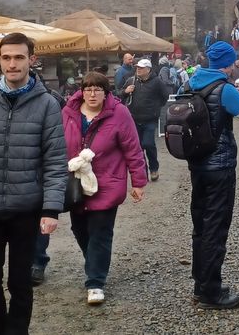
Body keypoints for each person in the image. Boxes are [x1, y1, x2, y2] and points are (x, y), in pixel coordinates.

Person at [0, 32, 68, 335]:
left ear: (31, 60)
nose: (12, 64)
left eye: (19, 57)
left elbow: (55, 159)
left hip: (27, 207)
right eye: (7, 57)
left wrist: (51, 208)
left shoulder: (48, 105)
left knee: (20, 282)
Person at [185, 42, 239, 308]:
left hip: (197, 165)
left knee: (201, 226)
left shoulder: (191, 83)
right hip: (220, 168)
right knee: (216, 229)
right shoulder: (224, 89)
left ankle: (200, 284)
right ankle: (211, 293)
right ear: (228, 64)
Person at [61, 71, 148, 305]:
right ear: (81, 90)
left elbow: (133, 148)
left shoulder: (119, 113)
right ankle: (95, 263)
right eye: (88, 89)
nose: (92, 94)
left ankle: (95, 282)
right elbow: (57, 145)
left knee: (100, 233)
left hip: (107, 183)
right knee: (80, 231)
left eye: (97, 89)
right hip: (76, 183)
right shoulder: (68, 112)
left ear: (105, 92)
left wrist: (138, 181)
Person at [122, 58, 170, 182]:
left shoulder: (157, 82)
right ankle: (143, 171)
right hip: (134, 119)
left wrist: (155, 108)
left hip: (150, 119)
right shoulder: (131, 80)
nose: (138, 69)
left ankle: (154, 168)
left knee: (148, 143)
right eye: (137, 67)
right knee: (138, 147)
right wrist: (125, 92)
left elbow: (165, 97)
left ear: (148, 69)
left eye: (141, 67)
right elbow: (119, 94)